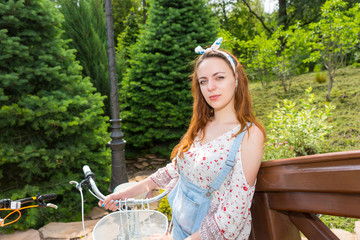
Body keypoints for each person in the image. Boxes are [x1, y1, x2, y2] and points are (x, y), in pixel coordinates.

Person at [99, 37, 265, 240]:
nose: (210, 87)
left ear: (237, 80)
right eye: (203, 81)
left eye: (219, 77)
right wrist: (130, 192)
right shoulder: (202, 126)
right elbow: (176, 170)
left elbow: (233, 217)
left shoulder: (248, 134)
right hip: (179, 231)